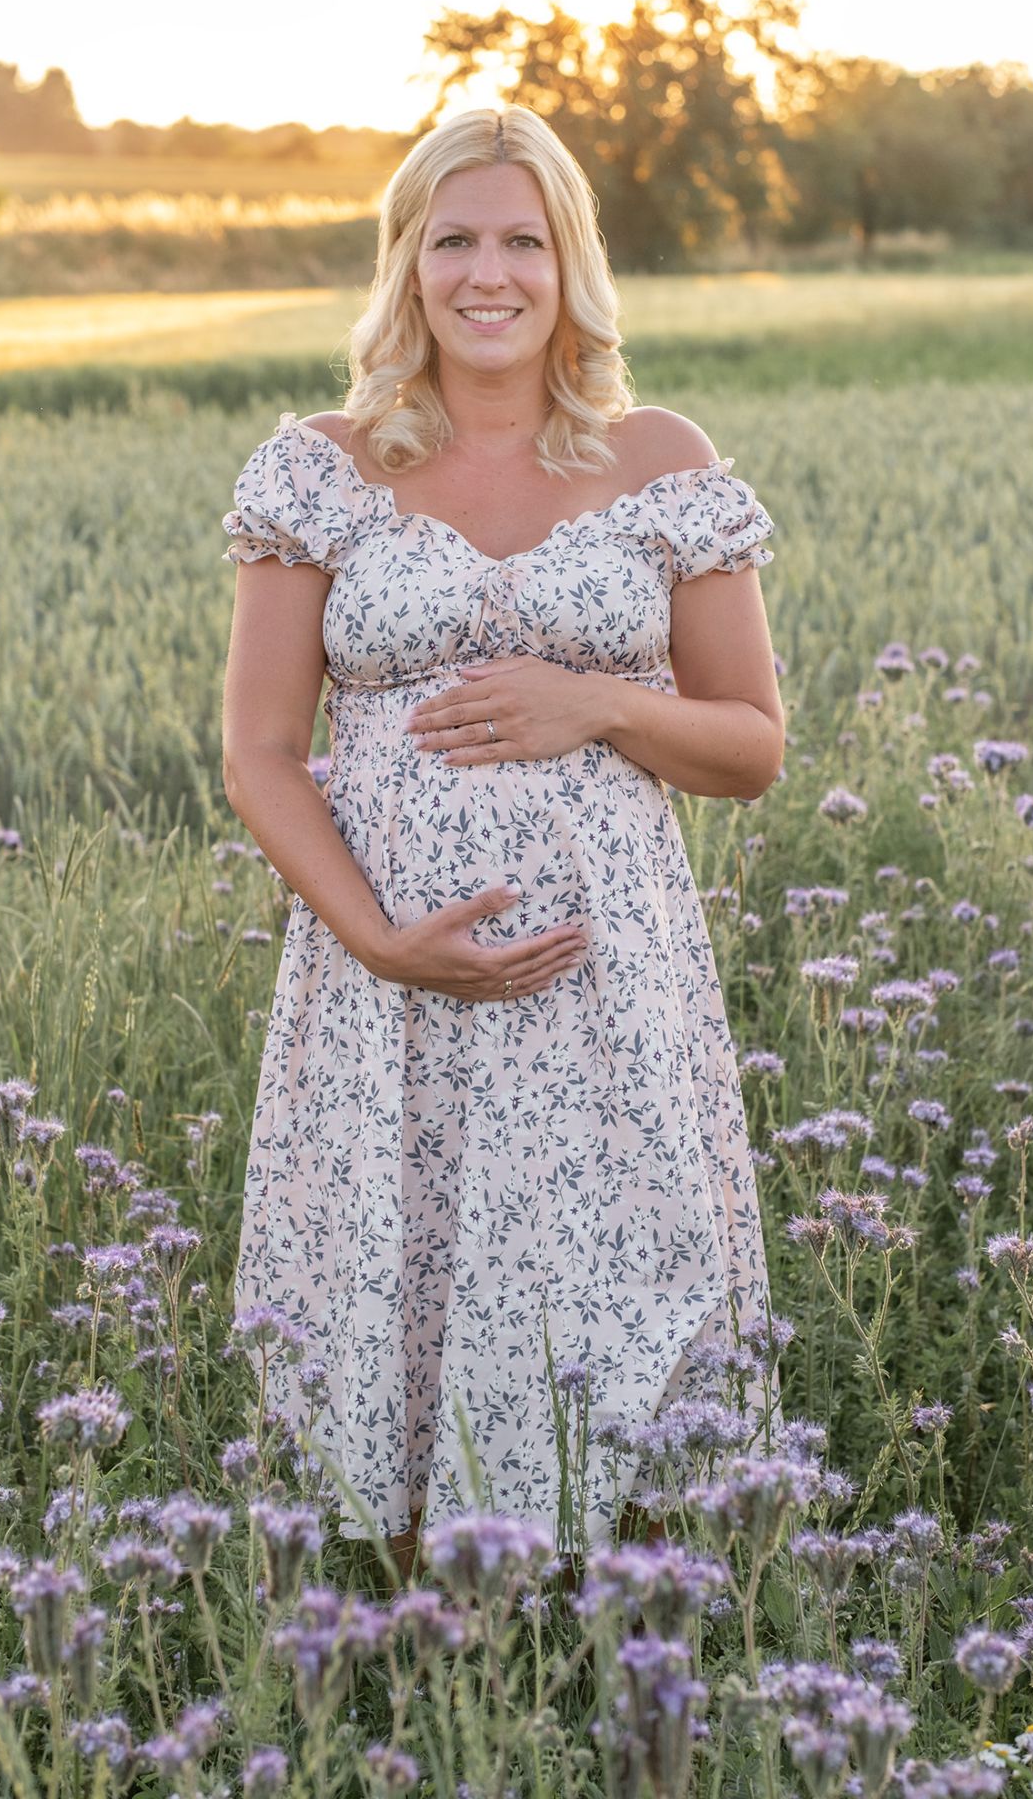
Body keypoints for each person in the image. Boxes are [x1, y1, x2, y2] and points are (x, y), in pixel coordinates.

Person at [220, 105, 784, 1586]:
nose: (489, 273)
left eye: (522, 240)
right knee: (406, 1286)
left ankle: (635, 1638)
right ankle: (437, 1656)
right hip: (392, 984)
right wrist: (374, 935)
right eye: (452, 238)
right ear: (406, 263)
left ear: (569, 266)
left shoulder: (657, 460)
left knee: (631, 1290)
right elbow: (261, 751)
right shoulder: (320, 469)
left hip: (611, 987)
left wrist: (588, 701)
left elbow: (751, 745)